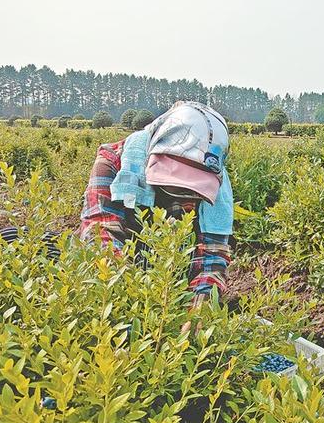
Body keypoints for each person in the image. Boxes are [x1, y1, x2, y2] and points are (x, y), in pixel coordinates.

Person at [79, 101, 234, 323]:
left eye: (192, 190)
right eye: (177, 186)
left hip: (175, 286)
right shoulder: (115, 163)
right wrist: (136, 299)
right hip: (114, 284)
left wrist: (199, 308)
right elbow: (101, 233)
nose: (185, 195)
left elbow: (212, 256)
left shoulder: (214, 179)